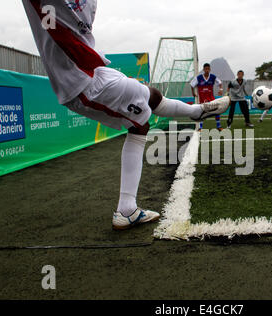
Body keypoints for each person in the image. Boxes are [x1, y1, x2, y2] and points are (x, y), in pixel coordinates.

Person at [22, 0, 230, 230]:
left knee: (150, 95)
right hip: (81, 81)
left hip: (93, 70)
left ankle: (195, 112)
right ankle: (126, 209)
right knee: (140, 125)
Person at [191, 63, 224, 131]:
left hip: (211, 98)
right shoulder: (199, 78)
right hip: (202, 99)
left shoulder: (212, 77)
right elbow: (192, 85)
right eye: (205, 69)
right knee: (202, 113)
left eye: (208, 69)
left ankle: (218, 126)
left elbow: (220, 83)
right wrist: (193, 93)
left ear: (210, 69)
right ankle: (200, 128)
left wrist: (221, 90)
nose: (207, 70)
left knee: (217, 110)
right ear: (203, 69)